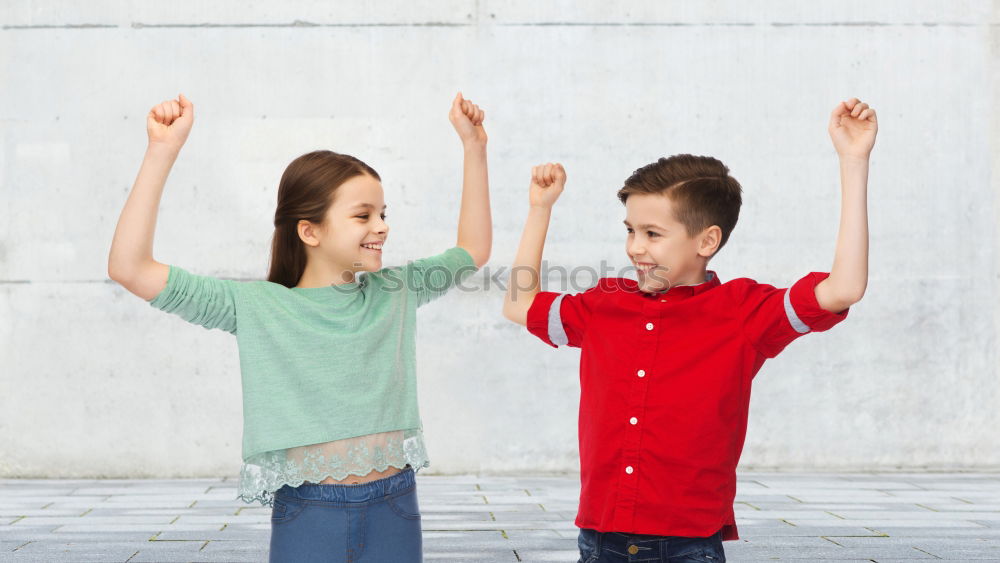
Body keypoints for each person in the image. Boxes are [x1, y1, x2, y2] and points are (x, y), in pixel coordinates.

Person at [107, 91, 492, 562]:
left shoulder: (397, 290)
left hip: (395, 505)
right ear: (309, 231)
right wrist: (161, 151)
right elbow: (130, 267)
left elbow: (473, 248)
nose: (382, 227)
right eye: (363, 215)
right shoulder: (255, 306)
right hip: (309, 512)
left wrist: (475, 148)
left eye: (383, 214)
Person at [502, 98, 876, 563]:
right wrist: (540, 209)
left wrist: (853, 161)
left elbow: (844, 289)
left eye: (652, 234)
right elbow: (518, 304)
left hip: (688, 545)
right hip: (599, 539)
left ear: (707, 241)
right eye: (630, 230)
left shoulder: (743, 312)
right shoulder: (604, 304)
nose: (635, 247)